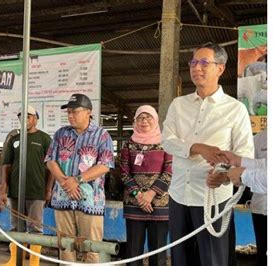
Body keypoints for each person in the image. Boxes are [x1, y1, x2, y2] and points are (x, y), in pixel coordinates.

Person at [161, 42, 254, 266]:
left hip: (213, 199)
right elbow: (167, 142)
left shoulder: (235, 109)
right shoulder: (178, 105)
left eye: (204, 62)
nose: (196, 68)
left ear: (220, 68)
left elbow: (244, 154)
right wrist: (198, 148)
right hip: (179, 195)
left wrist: (223, 175)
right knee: (180, 258)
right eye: (193, 62)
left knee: (213, 260)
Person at [45, 93, 115, 263]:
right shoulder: (61, 134)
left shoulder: (102, 135)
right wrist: (64, 182)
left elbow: (105, 165)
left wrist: (76, 180)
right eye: (68, 112)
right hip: (63, 198)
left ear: (88, 112)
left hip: (90, 201)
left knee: (91, 248)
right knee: (65, 246)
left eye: (74, 112)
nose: (70, 116)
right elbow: (50, 160)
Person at [120, 105, 172, 266]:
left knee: (158, 252)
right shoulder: (128, 145)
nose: (144, 121)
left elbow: (170, 171)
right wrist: (139, 195)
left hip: (159, 205)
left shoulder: (166, 143)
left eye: (148, 117)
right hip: (135, 204)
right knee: (133, 252)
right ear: (135, 121)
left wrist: (150, 194)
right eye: (140, 118)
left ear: (155, 120)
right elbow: (124, 172)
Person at [207, 129, 267, 266]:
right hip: (260, 209)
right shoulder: (259, 138)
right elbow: (264, 165)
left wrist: (243, 175)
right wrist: (237, 160)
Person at [0, 105, 53, 233]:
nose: (25, 120)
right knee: (17, 227)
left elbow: (51, 166)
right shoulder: (14, 139)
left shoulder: (44, 139)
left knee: (35, 228)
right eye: (21, 117)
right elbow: (6, 165)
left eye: (28, 117)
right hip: (16, 191)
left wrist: (48, 189)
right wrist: (2, 192)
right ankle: (18, 252)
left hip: (36, 191)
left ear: (35, 119)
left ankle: (32, 253)